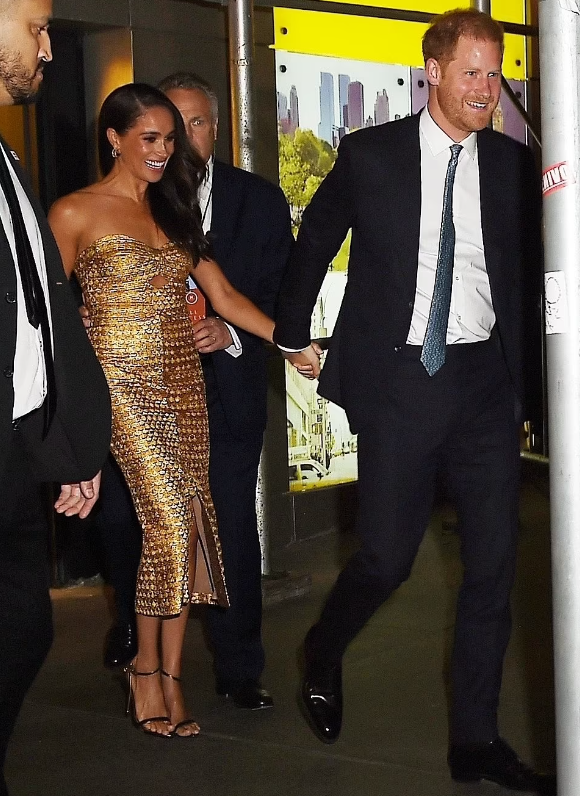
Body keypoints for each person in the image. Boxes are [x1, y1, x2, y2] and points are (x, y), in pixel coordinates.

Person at [275, 9, 552, 795]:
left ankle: (476, 742)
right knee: (386, 558)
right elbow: (317, 237)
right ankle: (323, 647)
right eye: (471, 73)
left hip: (484, 383)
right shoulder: (373, 154)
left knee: (494, 565)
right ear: (432, 71)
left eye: (495, 73)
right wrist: (291, 334)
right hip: (401, 381)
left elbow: (538, 271)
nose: (486, 89)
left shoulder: (512, 165)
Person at [49, 82, 317, 738]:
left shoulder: (172, 212)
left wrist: (291, 344)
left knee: (190, 530)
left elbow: (223, 297)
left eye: (170, 139)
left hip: (184, 387)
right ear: (114, 139)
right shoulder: (74, 212)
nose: (164, 151)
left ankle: (170, 678)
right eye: (150, 138)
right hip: (122, 392)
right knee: (169, 526)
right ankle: (144, 671)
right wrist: (73, 342)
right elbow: (46, 312)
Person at [0, 0, 111, 792]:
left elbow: (40, 315)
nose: (47, 47)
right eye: (34, 27)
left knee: (25, 628)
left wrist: (68, 442)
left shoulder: (7, 159)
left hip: (15, 452)